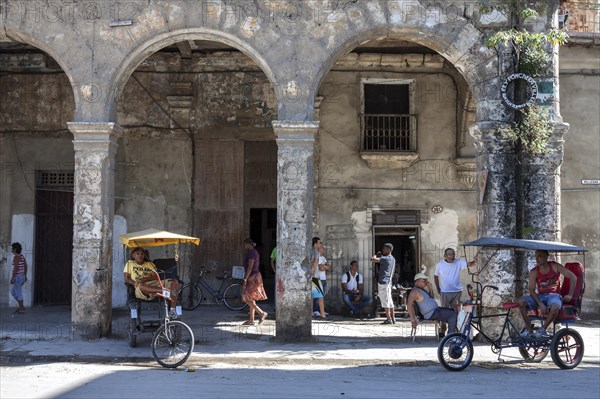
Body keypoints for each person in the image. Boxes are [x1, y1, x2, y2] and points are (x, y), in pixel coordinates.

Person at [518, 250, 577, 338]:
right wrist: (540, 304)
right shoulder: (534, 271)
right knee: (521, 302)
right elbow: (531, 289)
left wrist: (570, 294)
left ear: (546, 257)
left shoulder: (554, 266)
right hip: (540, 296)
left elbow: (573, 277)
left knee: (555, 307)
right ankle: (528, 329)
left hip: (554, 295)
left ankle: (542, 330)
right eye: (536, 256)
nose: (537, 258)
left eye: (540, 256)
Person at [123, 246, 180, 316]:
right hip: (141, 287)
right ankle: (163, 291)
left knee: (174, 282)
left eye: (142, 254)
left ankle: (172, 310)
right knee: (141, 286)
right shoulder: (130, 263)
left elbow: (156, 276)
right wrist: (135, 283)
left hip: (153, 283)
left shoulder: (150, 264)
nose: (140, 255)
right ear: (133, 255)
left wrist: (144, 279)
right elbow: (127, 279)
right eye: (138, 253)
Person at [434, 248, 477, 336]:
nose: (451, 256)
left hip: (457, 291)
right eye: (449, 254)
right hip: (445, 292)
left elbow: (469, 264)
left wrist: (475, 260)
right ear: (445, 256)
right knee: (444, 312)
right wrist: (438, 289)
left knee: (455, 312)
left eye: (452, 254)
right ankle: (442, 330)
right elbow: (435, 276)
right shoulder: (440, 264)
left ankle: (453, 331)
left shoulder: (459, 262)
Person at [408, 270, 458, 335]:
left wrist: (430, 289)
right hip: (431, 313)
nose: (426, 282)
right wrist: (413, 320)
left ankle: (448, 332)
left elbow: (431, 298)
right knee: (452, 315)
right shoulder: (415, 292)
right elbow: (409, 305)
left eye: (426, 280)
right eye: (424, 280)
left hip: (435, 311)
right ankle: (451, 336)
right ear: (417, 281)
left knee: (454, 311)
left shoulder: (421, 290)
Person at [241, 238, 268, 325]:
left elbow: (250, 267)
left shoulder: (252, 253)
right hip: (255, 276)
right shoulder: (253, 252)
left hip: (252, 277)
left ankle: (261, 313)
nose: (244, 246)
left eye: (245, 244)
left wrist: (245, 279)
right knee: (251, 298)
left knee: (246, 298)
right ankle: (251, 320)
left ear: (249, 244)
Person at [371, 243, 396, 324]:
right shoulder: (392, 259)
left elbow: (373, 259)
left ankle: (388, 319)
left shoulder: (386, 258)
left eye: (384, 249)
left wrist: (376, 254)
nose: (383, 250)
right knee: (389, 300)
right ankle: (393, 318)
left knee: (385, 301)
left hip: (384, 282)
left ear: (389, 250)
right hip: (388, 282)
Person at [309, 237, 328, 320]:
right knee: (320, 296)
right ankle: (323, 314)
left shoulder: (309, 251)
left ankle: (311, 313)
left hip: (309, 277)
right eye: (319, 243)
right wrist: (312, 272)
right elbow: (315, 262)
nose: (320, 244)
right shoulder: (316, 252)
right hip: (315, 276)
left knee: (311, 297)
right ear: (315, 243)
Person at [313, 245, 331, 317]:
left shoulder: (323, 258)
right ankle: (315, 310)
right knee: (317, 296)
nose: (323, 248)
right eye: (321, 247)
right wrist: (324, 267)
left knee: (321, 296)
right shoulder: (317, 257)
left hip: (323, 278)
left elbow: (329, 267)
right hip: (317, 278)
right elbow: (321, 268)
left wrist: (325, 266)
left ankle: (321, 310)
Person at [10, 242, 28, 314]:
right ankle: (21, 306)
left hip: (17, 277)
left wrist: (13, 277)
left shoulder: (16, 257)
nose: (11, 249)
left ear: (15, 249)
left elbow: (16, 268)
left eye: (12, 248)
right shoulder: (21, 256)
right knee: (13, 292)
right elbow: (26, 266)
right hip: (21, 276)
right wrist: (25, 275)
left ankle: (21, 309)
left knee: (18, 293)